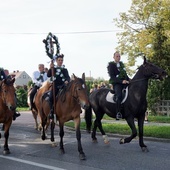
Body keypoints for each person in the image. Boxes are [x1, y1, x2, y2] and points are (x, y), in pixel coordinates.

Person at [107, 51, 130, 120]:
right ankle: (118, 112)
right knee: (119, 95)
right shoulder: (111, 65)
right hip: (117, 83)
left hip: (125, 82)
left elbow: (125, 74)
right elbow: (112, 77)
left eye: (119, 56)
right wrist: (121, 81)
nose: (118, 57)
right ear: (114, 57)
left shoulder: (122, 65)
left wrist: (129, 80)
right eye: (117, 56)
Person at [47, 54, 70, 119]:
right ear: (56, 61)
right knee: (50, 98)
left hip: (64, 86)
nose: (60, 61)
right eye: (59, 60)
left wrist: (67, 81)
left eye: (61, 60)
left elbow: (68, 77)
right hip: (55, 86)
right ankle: (51, 112)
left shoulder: (64, 69)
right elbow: (48, 75)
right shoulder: (53, 68)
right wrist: (50, 68)